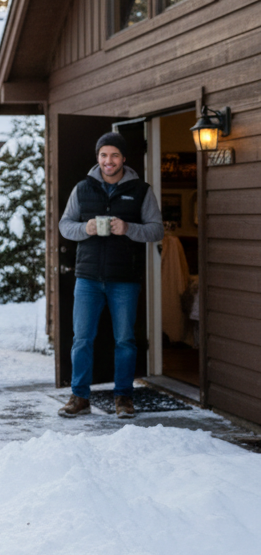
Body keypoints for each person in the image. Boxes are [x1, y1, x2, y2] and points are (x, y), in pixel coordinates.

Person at [57, 131, 163, 419]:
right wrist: (85, 229)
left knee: (125, 340)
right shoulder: (82, 188)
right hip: (88, 278)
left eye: (114, 155)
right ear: (98, 158)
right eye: (104, 155)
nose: (108, 160)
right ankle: (79, 397)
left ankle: (123, 398)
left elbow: (156, 229)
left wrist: (129, 228)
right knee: (81, 339)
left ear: (124, 158)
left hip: (124, 280)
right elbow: (64, 225)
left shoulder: (141, 190)